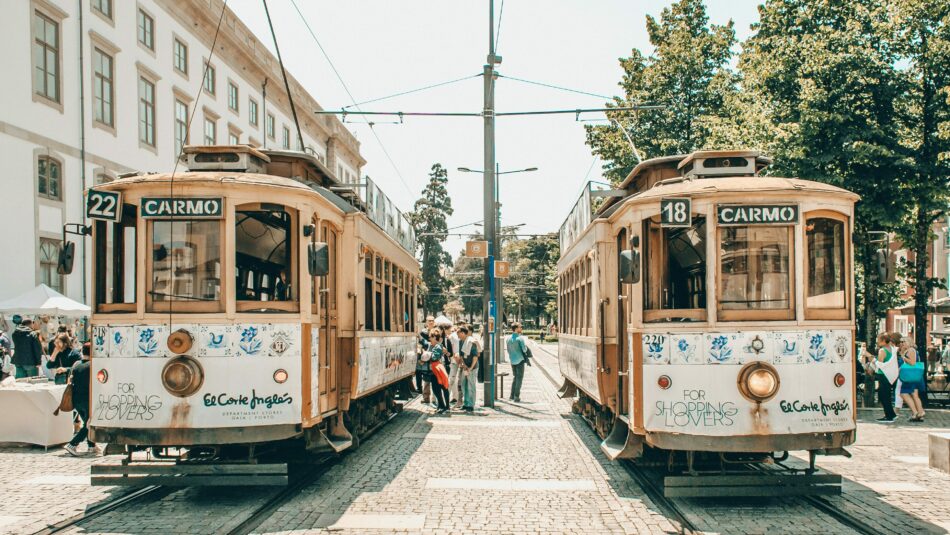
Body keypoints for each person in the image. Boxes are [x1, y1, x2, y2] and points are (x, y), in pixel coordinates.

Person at [65, 343, 100, 456]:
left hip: (76, 399)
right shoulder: (93, 365)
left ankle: (91, 446)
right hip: (87, 399)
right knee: (89, 423)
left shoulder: (76, 364)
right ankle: (73, 444)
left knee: (87, 421)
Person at [863, 332, 899, 422]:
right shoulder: (891, 349)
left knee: (883, 396)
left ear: (883, 340)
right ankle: (891, 414)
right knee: (886, 395)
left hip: (883, 375)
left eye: (878, 340)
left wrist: (869, 356)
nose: (877, 342)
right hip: (889, 376)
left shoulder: (882, 350)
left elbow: (879, 364)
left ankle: (889, 415)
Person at [897, 336, 926, 422]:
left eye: (904, 341)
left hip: (910, 377)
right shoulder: (911, 350)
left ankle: (915, 412)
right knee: (914, 395)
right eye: (901, 342)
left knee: (903, 393)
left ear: (909, 342)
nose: (902, 343)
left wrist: (903, 357)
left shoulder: (910, 350)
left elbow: (912, 363)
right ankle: (920, 412)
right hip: (914, 376)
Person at [427, 329, 450, 413]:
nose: (429, 339)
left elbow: (434, 357)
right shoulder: (437, 345)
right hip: (437, 368)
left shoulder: (437, 346)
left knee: (438, 388)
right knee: (442, 387)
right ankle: (443, 406)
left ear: (434, 337)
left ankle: (443, 406)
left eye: (430, 337)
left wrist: (427, 355)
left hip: (437, 369)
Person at [457, 326, 479, 412]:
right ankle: (466, 403)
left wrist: (470, 368)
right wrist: (464, 365)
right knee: (464, 385)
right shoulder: (460, 342)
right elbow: (461, 355)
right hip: (465, 366)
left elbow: (475, 356)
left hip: (472, 367)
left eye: (458, 333)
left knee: (471, 386)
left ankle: (471, 404)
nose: (458, 336)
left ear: (463, 333)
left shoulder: (471, 342)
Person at [505, 322, 529, 402]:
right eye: (520, 327)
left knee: (515, 377)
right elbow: (524, 350)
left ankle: (511, 395)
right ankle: (516, 396)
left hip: (512, 360)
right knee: (519, 378)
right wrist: (525, 347)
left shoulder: (508, 339)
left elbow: (508, 350)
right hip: (520, 360)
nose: (521, 328)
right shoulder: (520, 338)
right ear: (516, 329)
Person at [415, 316, 436, 403]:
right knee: (426, 379)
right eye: (429, 321)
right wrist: (420, 356)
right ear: (426, 322)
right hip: (425, 358)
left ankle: (435, 399)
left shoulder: (437, 331)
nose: (431, 322)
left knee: (435, 380)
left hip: (434, 358)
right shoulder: (423, 332)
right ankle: (426, 397)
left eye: (432, 321)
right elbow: (420, 345)